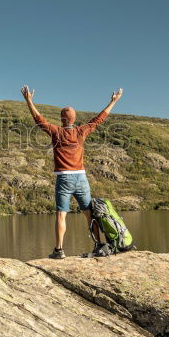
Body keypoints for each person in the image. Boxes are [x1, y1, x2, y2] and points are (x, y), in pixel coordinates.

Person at [21, 85, 123, 259]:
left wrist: (29, 100)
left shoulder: (56, 132)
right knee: (89, 213)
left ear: (62, 119)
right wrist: (113, 101)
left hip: (64, 179)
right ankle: (98, 245)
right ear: (74, 119)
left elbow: (39, 120)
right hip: (81, 178)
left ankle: (59, 250)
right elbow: (99, 119)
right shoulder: (81, 131)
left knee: (61, 214)